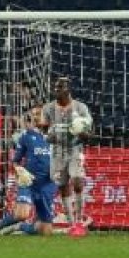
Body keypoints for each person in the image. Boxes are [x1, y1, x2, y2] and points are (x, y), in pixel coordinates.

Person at [0, 107, 57, 236]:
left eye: (39, 114)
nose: (35, 117)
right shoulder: (27, 136)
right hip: (29, 181)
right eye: (33, 115)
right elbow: (16, 161)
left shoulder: (57, 137)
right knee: (21, 213)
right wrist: (19, 171)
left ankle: (20, 227)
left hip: (48, 184)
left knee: (45, 231)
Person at [43, 77, 92, 236]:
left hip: (75, 150)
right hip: (57, 152)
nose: (56, 90)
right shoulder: (48, 109)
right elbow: (44, 131)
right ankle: (73, 225)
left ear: (68, 89)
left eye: (60, 87)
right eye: (55, 87)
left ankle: (79, 222)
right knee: (63, 186)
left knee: (77, 181)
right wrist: (48, 137)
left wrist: (80, 132)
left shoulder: (81, 108)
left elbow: (90, 135)